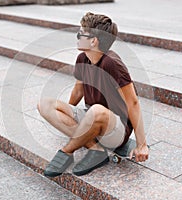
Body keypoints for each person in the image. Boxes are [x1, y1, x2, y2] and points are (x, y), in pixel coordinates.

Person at [37, 12, 149, 177]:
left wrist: (142, 144)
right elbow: (78, 90)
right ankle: (95, 149)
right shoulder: (83, 58)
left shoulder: (113, 64)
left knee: (96, 110)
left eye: (80, 34)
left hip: (116, 129)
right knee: (45, 104)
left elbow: (133, 103)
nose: (77, 37)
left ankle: (67, 151)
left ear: (93, 41)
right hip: (92, 118)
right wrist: (68, 117)